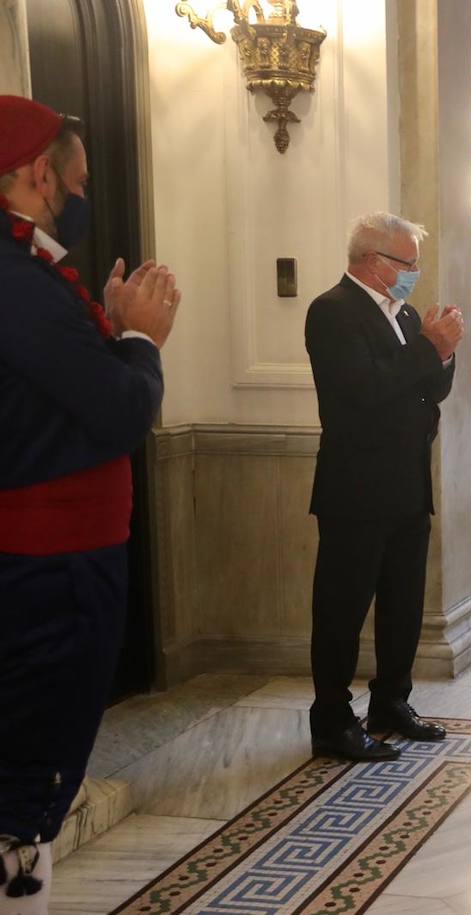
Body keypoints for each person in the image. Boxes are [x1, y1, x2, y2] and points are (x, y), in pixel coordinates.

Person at [0, 95, 181, 910]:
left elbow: (55, 392)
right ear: (39, 173)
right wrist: (140, 339)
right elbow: (115, 411)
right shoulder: (19, 280)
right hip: (49, 574)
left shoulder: (31, 275)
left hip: (49, 564)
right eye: (73, 180)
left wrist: (109, 334)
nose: (78, 195)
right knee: (28, 783)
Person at [304, 212, 463, 762]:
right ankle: (331, 718)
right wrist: (428, 349)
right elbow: (366, 389)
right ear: (373, 262)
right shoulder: (332, 312)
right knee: (342, 608)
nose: (414, 275)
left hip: (407, 482)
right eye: (407, 265)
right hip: (356, 487)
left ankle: (391, 701)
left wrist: (443, 352)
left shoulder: (408, 313)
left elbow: (427, 389)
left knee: (403, 603)